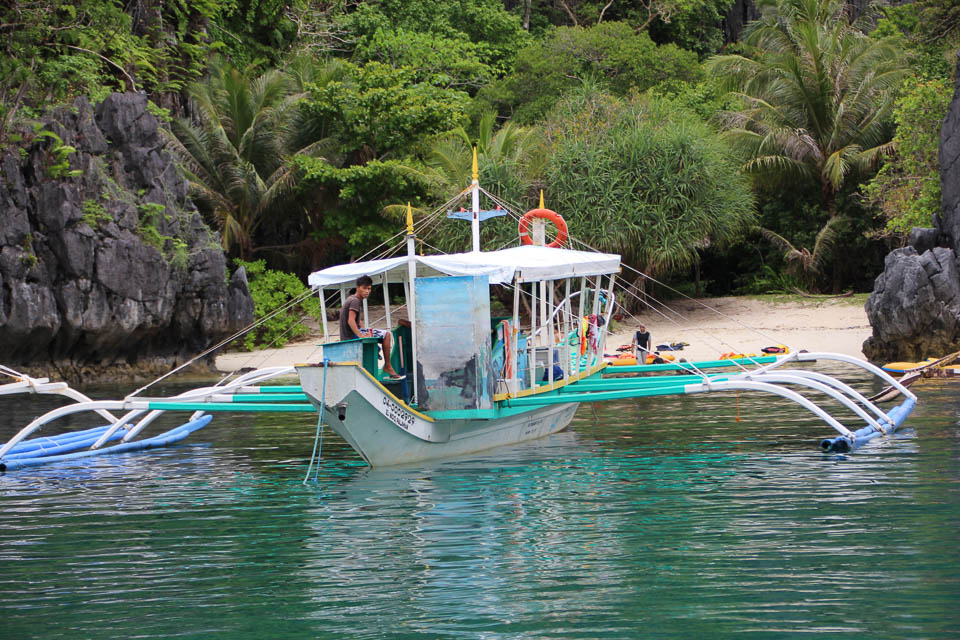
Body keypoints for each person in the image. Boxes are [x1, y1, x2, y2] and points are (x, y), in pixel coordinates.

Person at [339, 275, 403, 379]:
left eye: (369, 289)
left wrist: (366, 330)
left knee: (375, 336)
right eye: (364, 288)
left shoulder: (352, 299)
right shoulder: (355, 300)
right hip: (351, 336)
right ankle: (387, 366)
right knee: (387, 334)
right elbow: (350, 320)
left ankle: (377, 353)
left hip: (350, 334)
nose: (367, 291)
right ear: (358, 287)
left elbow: (357, 321)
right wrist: (361, 335)